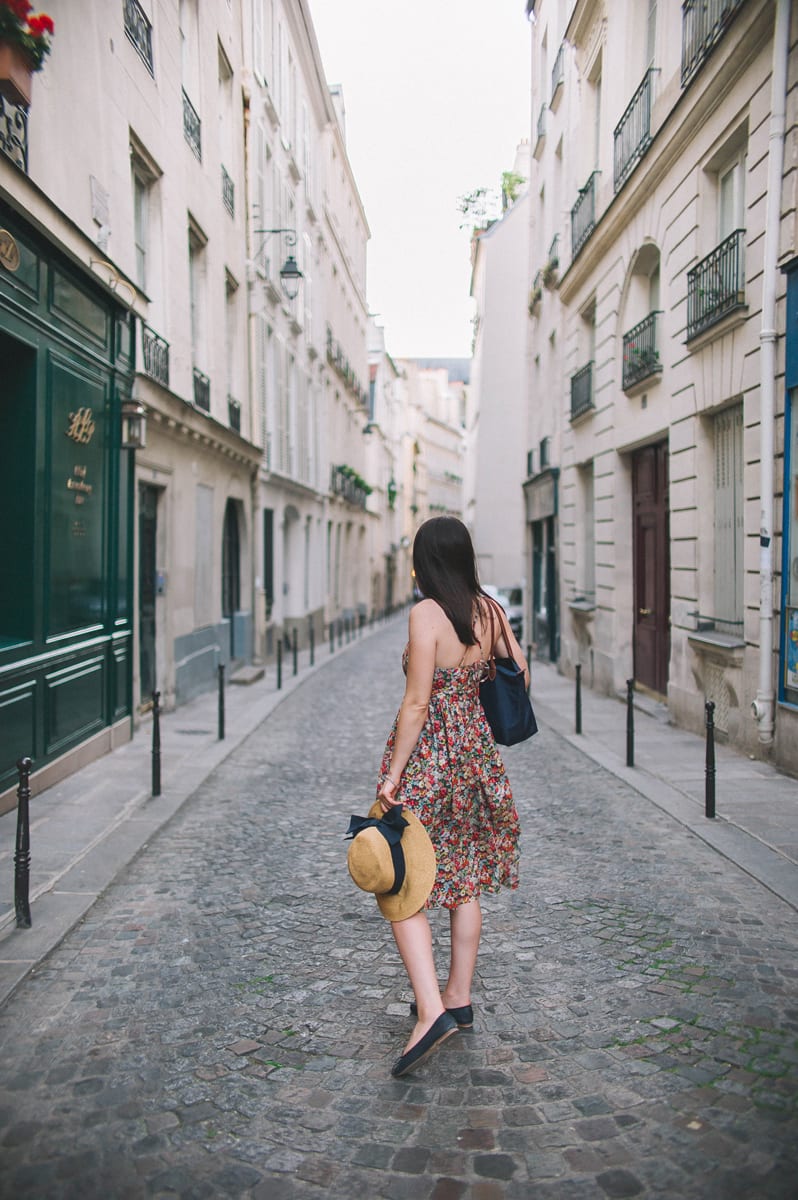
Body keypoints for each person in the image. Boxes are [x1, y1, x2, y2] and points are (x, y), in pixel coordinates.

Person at [377, 515, 527, 1077]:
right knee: (462, 878)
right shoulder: (489, 611)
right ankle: (458, 995)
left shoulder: (425, 615)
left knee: (400, 881)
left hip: (430, 764)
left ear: (427, 563)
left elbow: (416, 703)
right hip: (476, 761)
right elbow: (520, 675)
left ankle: (431, 1011)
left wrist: (393, 776)